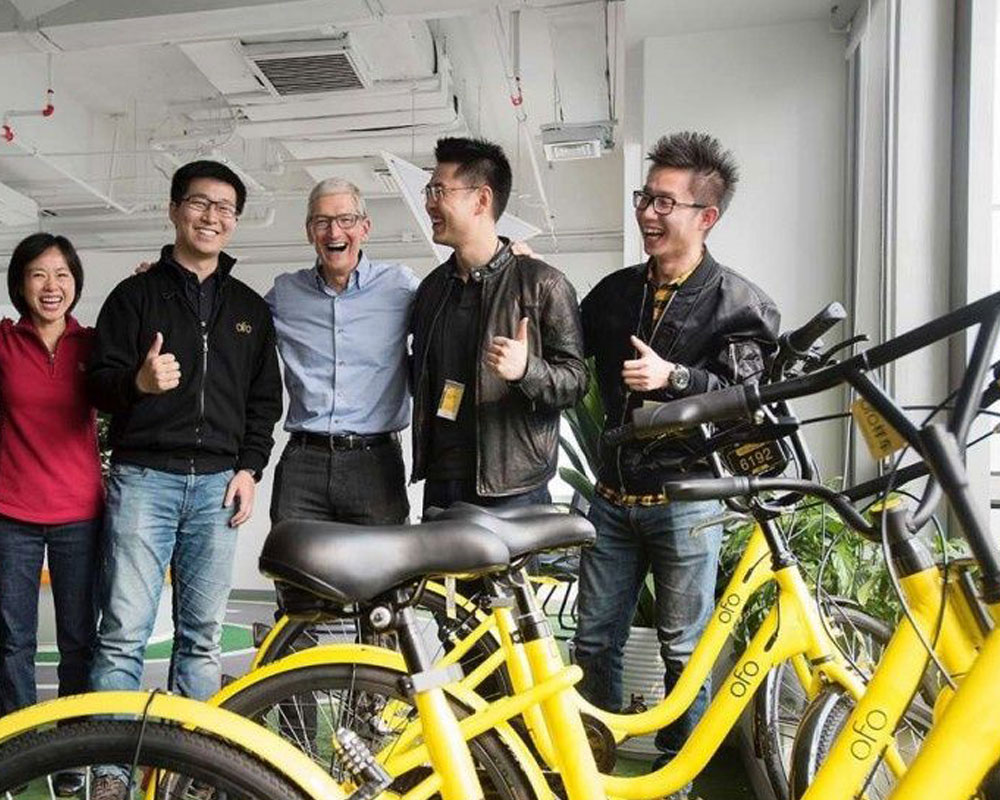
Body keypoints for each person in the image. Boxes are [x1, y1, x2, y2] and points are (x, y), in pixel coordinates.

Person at [572, 131, 780, 795]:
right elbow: (564, 353)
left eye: (665, 203)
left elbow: (749, 402)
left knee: (684, 654)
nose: (648, 214)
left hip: (688, 502)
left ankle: (676, 782)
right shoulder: (611, 293)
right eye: (645, 199)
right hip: (610, 497)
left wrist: (678, 378)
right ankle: (593, 768)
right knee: (592, 642)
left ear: (705, 216)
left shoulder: (741, 303)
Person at [87, 160, 282, 800]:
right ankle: (112, 775)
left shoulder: (250, 308)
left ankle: (191, 771)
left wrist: (250, 469)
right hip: (145, 478)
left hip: (218, 486)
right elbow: (98, 384)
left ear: (234, 221)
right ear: (175, 210)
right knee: (123, 633)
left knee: (200, 641)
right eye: (200, 203)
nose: (212, 216)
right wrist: (137, 385)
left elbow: (263, 402)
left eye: (225, 208)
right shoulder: (133, 296)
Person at [410, 136, 588, 513]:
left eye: (439, 190)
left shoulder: (542, 284)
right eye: (429, 190)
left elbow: (576, 381)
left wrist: (527, 370)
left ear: (481, 199)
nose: (429, 202)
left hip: (513, 488)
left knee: (512, 577)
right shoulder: (431, 289)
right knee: (438, 577)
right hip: (442, 484)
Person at [0, 232, 103, 797]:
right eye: (38, 274)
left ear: (75, 282)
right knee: (10, 640)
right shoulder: (1, 342)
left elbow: (132, 384)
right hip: (10, 511)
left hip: (80, 513)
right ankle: (19, 748)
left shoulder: (94, 344)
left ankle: (71, 753)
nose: (51, 286)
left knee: (77, 642)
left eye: (61, 274)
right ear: (20, 282)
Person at [266, 178, 417, 527]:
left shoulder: (400, 286)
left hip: (375, 464)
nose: (334, 231)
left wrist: (513, 264)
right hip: (304, 463)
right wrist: (168, 277)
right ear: (309, 232)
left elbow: (455, 308)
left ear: (365, 227)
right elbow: (229, 322)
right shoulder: (286, 293)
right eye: (322, 222)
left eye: (346, 219)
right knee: (293, 572)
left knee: (382, 575)